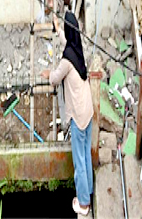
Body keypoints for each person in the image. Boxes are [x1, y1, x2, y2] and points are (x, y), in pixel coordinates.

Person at [41, 12, 94, 216]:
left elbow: (55, 78)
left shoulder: (66, 62)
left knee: (79, 160)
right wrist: (58, 28)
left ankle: (83, 203)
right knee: (86, 154)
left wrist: (47, 74)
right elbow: (66, 41)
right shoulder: (77, 50)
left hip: (78, 116)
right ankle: (87, 191)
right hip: (87, 110)